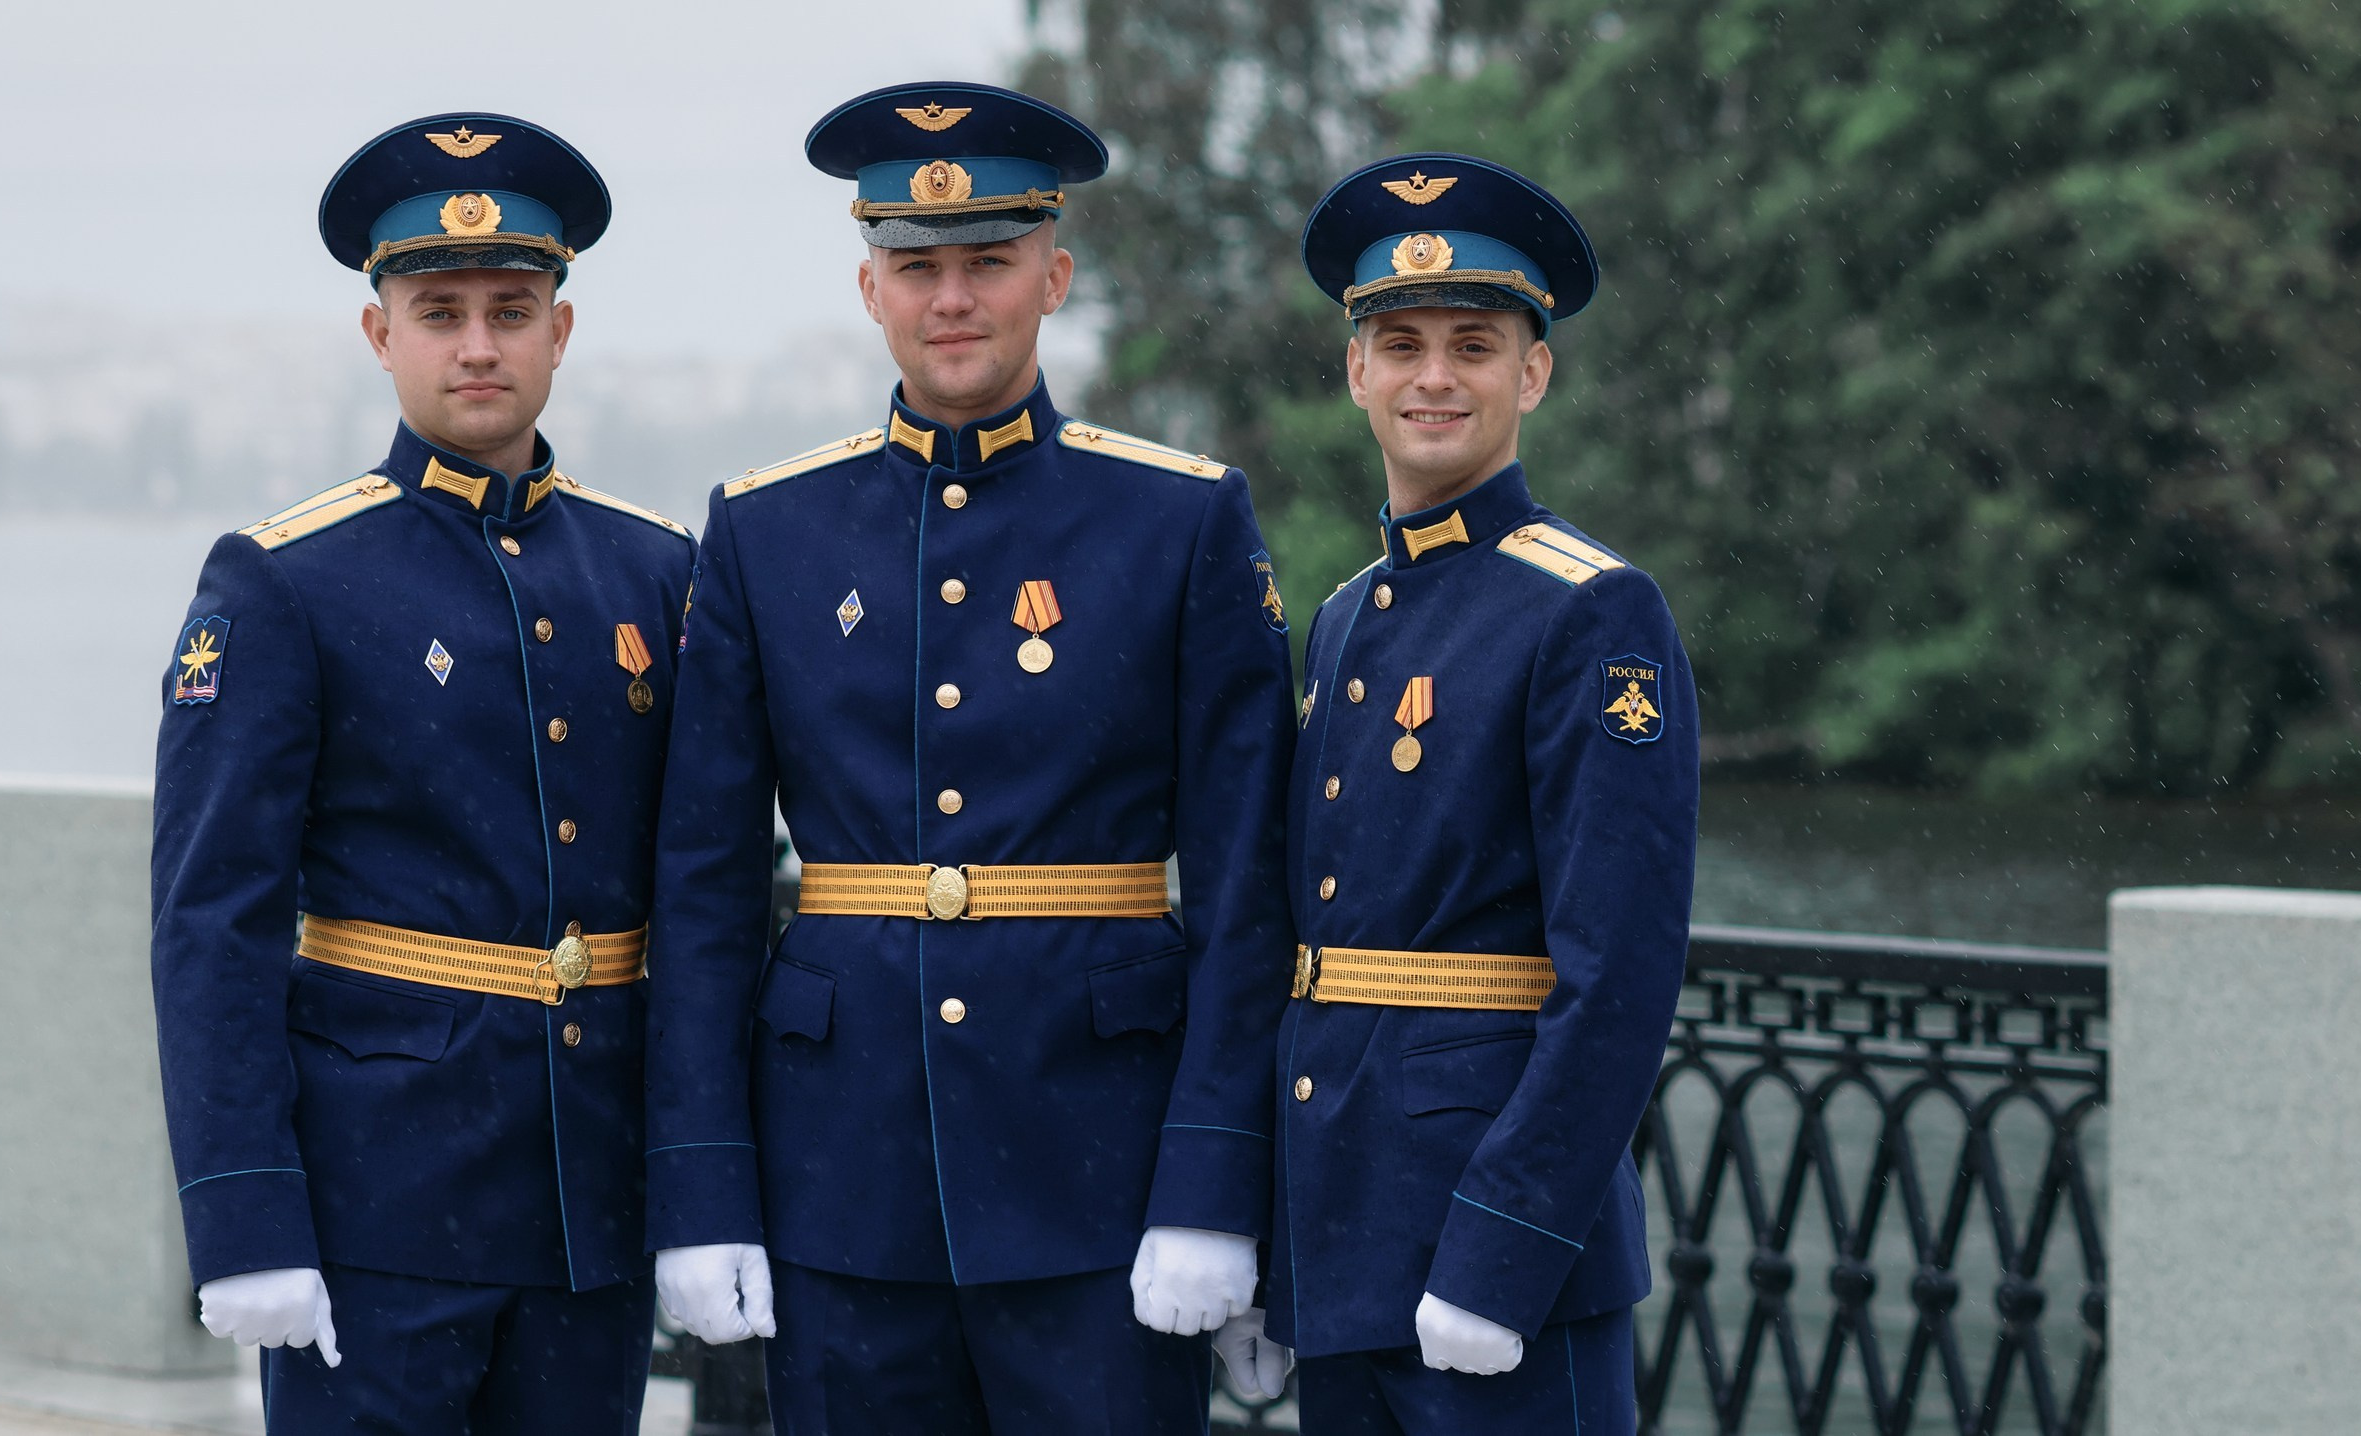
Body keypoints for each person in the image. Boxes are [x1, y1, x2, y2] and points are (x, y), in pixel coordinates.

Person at [643, 80, 1298, 1430]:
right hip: (841, 1181)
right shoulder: (767, 533)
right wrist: (700, 1186)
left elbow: (1250, 897)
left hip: (1103, 1180)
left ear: (1053, 276)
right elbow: (702, 894)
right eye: (918, 267)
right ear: (868, 286)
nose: (954, 297)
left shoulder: (1179, 523)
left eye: (989, 263)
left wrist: (1215, 1183)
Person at [149, 112, 694, 1433]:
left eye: (512, 309)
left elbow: (708, 894)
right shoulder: (287, 578)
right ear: (378, 332)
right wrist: (242, 1218)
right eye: (438, 309)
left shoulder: (655, 571)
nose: (477, 344)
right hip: (375, 1208)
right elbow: (213, 924)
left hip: (591, 1202)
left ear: (560, 331)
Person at [1261, 153, 1700, 1433]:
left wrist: (1500, 1245)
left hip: (1495, 1253)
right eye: (1398, 344)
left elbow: (1617, 971)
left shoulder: (1590, 608)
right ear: (1355, 372)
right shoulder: (1344, 618)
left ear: (1534, 370)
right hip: (1338, 1236)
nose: (1434, 376)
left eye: (1473, 342)